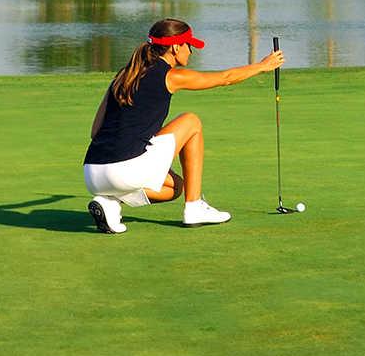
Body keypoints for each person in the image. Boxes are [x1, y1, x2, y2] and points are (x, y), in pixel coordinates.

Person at [82, 18, 286, 233]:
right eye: (189, 45)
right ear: (175, 47)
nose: (191, 50)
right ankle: (194, 206)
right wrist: (263, 66)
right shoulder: (172, 76)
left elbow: (95, 131)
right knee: (191, 121)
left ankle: (110, 203)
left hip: (92, 174)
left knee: (175, 188)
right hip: (125, 171)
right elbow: (225, 78)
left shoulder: (123, 75)